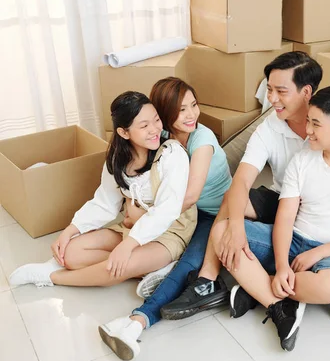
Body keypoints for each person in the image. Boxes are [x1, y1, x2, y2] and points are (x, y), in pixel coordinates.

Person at [160, 52, 330, 338]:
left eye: (280, 91)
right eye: (269, 89)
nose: (271, 98)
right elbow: (240, 182)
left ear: (306, 92)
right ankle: (208, 280)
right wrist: (236, 230)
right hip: (283, 202)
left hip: (322, 213)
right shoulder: (270, 130)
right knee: (231, 203)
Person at [225, 86, 330, 351]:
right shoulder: (303, 160)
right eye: (308, 121)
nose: (308, 130)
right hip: (293, 241)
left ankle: (258, 287)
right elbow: (284, 218)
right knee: (222, 232)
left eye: (316, 124)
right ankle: (279, 294)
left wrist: (319, 254)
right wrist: (282, 265)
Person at [98, 77, 232, 361]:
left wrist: (144, 217)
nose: (192, 115)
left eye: (194, 105)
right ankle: (162, 269)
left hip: (215, 213)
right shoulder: (163, 137)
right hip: (179, 215)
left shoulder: (202, 139)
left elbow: (191, 195)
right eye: (182, 110)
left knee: (189, 264)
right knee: (145, 242)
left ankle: (136, 323)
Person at [10, 91, 196, 295]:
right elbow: (105, 203)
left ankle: (51, 277)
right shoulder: (118, 159)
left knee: (119, 268)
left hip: (169, 232)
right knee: (72, 254)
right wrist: (69, 231)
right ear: (124, 133)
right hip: (133, 227)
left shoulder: (172, 154)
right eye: (144, 126)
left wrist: (128, 246)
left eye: (156, 120)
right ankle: (151, 269)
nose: (154, 130)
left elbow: (167, 210)